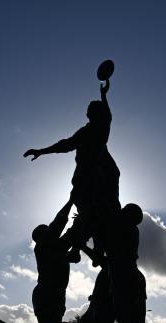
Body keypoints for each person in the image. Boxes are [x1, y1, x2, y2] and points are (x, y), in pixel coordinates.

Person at [23, 80, 120, 262]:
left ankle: (87, 247)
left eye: (91, 107)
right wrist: (41, 151)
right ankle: (83, 248)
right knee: (88, 212)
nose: (87, 109)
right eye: (88, 107)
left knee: (92, 211)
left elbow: (107, 116)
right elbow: (65, 145)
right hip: (87, 178)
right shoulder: (88, 132)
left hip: (92, 178)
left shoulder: (99, 130)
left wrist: (104, 96)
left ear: (94, 113)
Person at [30, 198, 75, 323]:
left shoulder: (58, 248)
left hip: (56, 296)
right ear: (42, 236)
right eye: (47, 231)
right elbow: (60, 221)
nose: (51, 231)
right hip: (46, 294)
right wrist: (71, 201)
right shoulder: (43, 247)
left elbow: (71, 239)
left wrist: (79, 224)